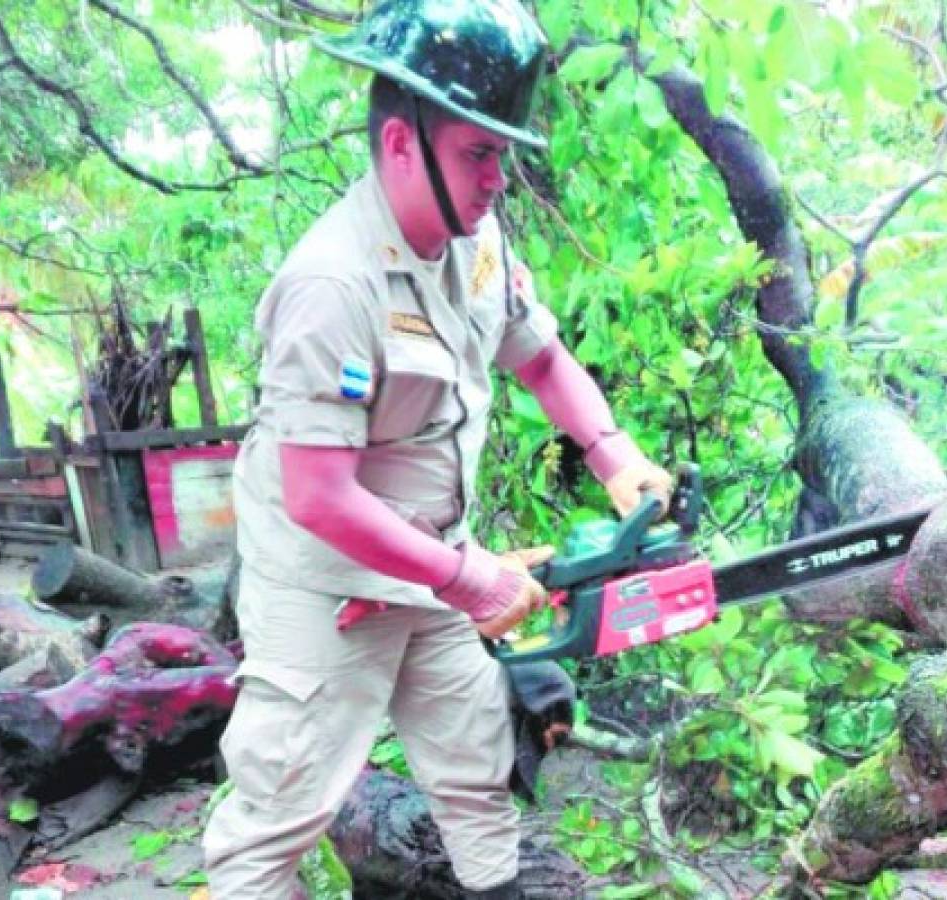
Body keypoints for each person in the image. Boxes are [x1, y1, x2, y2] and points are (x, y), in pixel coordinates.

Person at [202, 1, 671, 897]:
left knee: (475, 766)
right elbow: (318, 497)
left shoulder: (477, 240)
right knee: (275, 819)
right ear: (400, 143)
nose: (497, 178)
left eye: (502, 154)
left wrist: (614, 456)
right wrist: (468, 579)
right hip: (327, 580)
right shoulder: (331, 285)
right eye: (477, 153)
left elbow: (540, 360)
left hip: (433, 562)